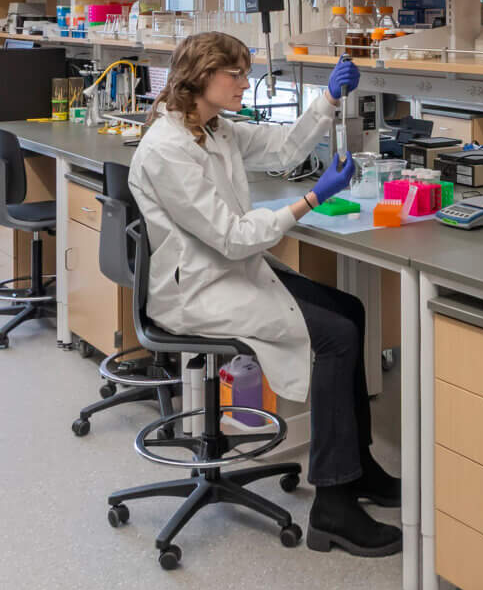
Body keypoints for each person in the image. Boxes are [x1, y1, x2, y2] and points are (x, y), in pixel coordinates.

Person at [128, 32, 399, 557]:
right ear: (201, 77)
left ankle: (359, 466)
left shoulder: (213, 128)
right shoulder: (167, 149)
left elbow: (282, 147)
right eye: (234, 74)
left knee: (350, 309)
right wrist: (311, 200)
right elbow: (232, 237)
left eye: (244, 73)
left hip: (228, 271)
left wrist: (329, 99)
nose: (244, 83)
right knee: (335, 336)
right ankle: (333, 504)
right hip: (199, 291)